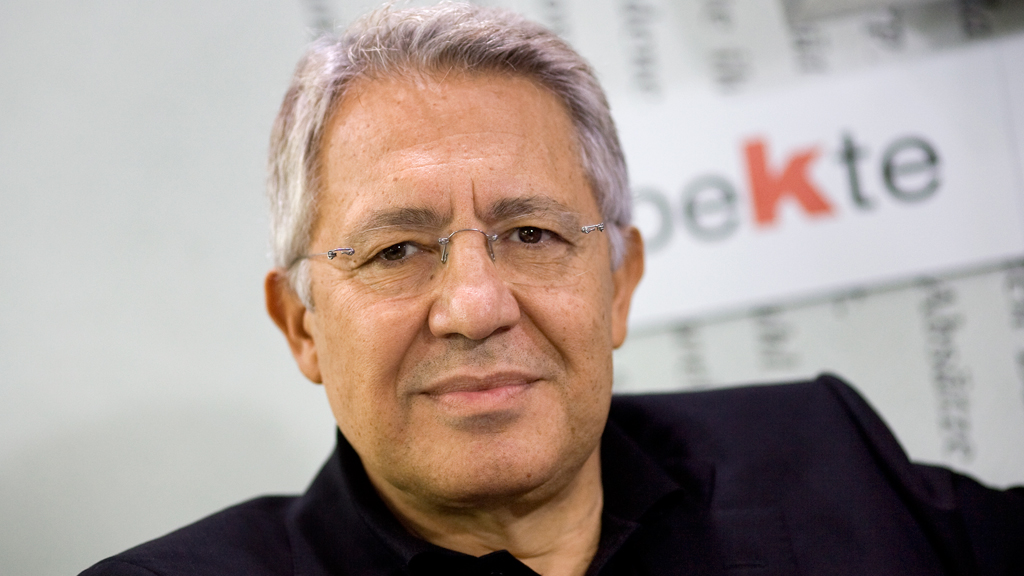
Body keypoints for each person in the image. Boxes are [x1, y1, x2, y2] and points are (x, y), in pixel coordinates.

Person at [81, 3, 1023, 575]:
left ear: (618, 285)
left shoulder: (828, 457)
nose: (477, 306)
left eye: (530, 234)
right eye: (399, 250)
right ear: (303, 328)